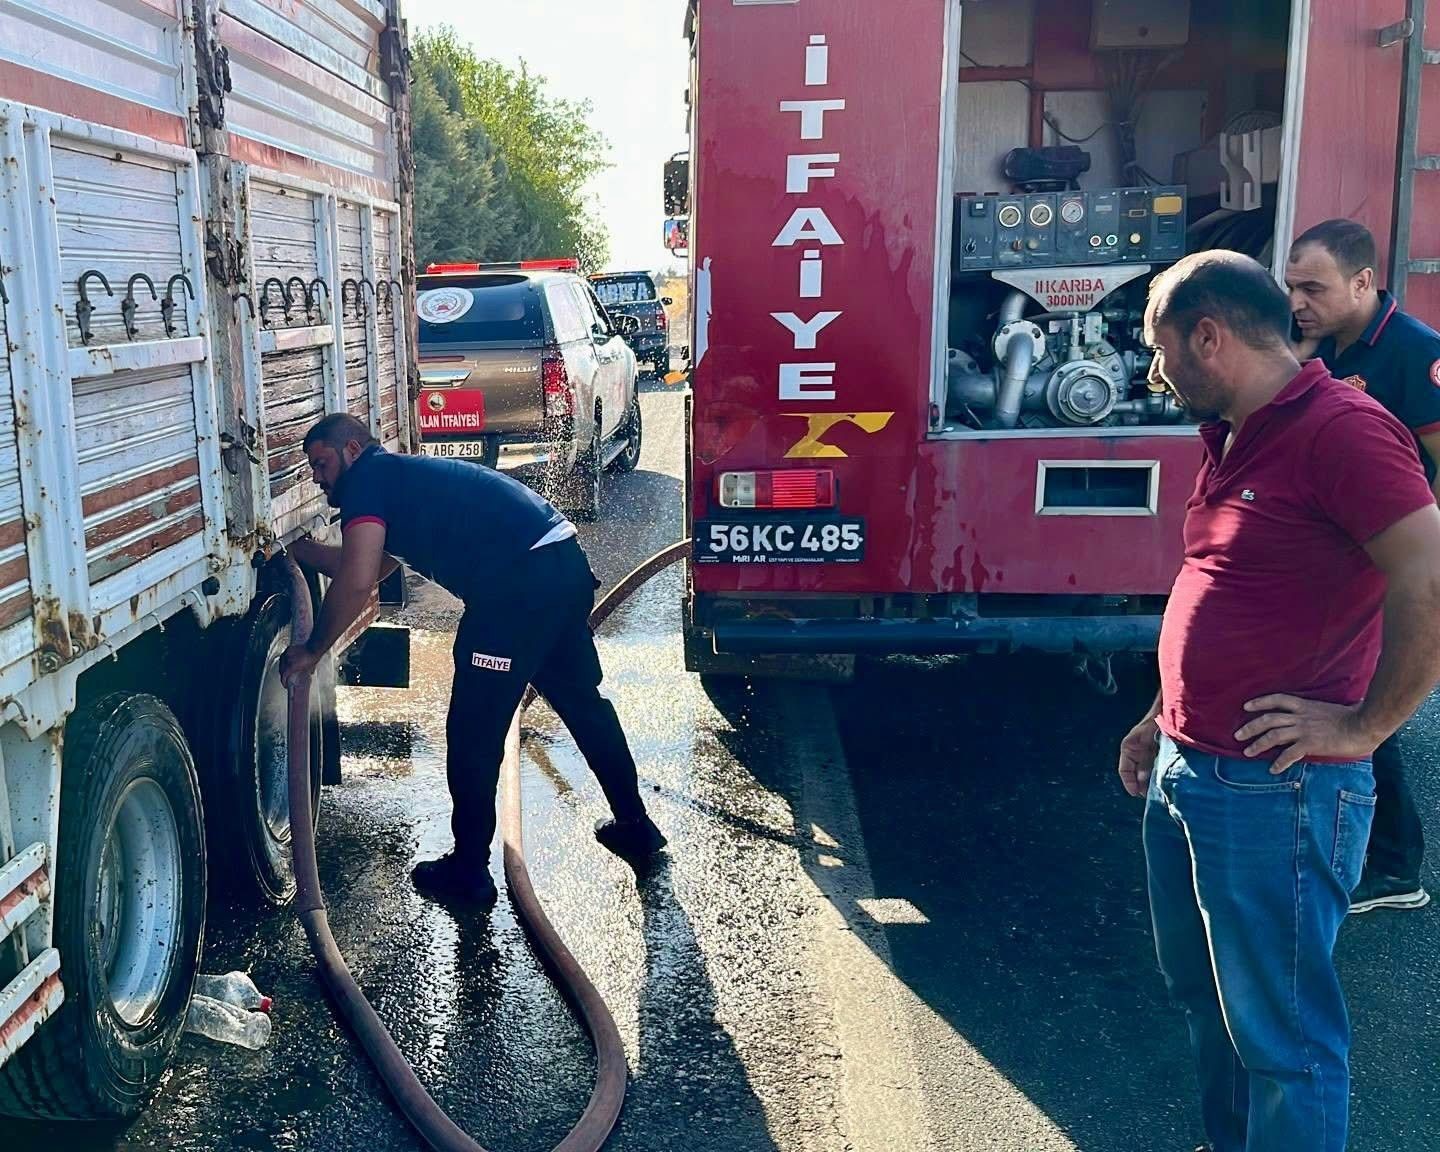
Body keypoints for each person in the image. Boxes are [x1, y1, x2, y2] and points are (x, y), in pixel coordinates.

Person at [1116, 251, 1440, 1152]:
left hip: (1275, 788)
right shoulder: (1236, 433)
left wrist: (1367, 726)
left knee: (1284, 1040)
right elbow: (1218, 583)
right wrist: (1158, 714)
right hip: (1192, 767)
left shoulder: (1343, 432)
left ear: (1208, 337)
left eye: (1161, 350)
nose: (1156, 373)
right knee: (1211, 1004)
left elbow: (1429, 579)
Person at [279, 414, 665, 907]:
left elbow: (355, 583)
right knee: (584, 707)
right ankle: (635, 824)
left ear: (352, 450)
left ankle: (468, 871)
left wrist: (312, 651)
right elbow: (367, 566)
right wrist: (301, 551)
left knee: (473, 733)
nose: (318, 477)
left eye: (322, 463)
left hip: (516, 592)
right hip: (562, 566)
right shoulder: (399, 479)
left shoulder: (366, 482)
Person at [1287, 218, 1440, 913]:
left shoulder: (1414, 352)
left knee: (1369, 709)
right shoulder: (1320, 342)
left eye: (1313, 289)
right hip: (1337, 560)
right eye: (1292, 287)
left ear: (1363, 283)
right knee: (1340, 694)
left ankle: (1394, 868)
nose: (1298, 302)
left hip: (1389, 561)